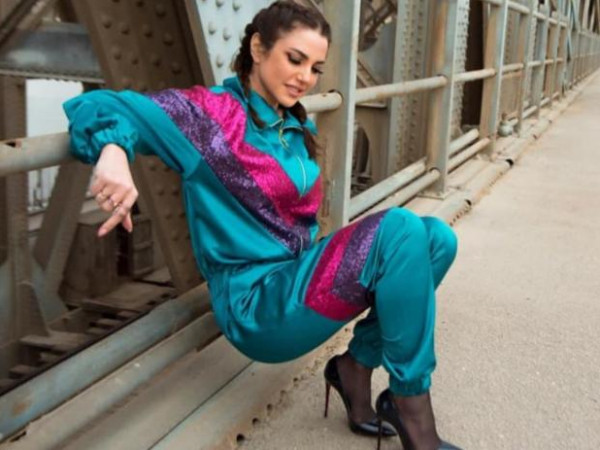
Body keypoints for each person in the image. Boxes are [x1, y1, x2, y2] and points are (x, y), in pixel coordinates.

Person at [63, 2, 460, 449]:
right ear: (257, 47)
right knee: (400, 229)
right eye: (295, 59)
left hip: (297, 277)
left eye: (315, 68)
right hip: (257, 307)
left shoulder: (292, 125)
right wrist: (113, 150)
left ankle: (356, 366)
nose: (305, 78)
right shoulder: (209, 118)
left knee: (436, 239)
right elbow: (100, 104)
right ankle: (413, 412)